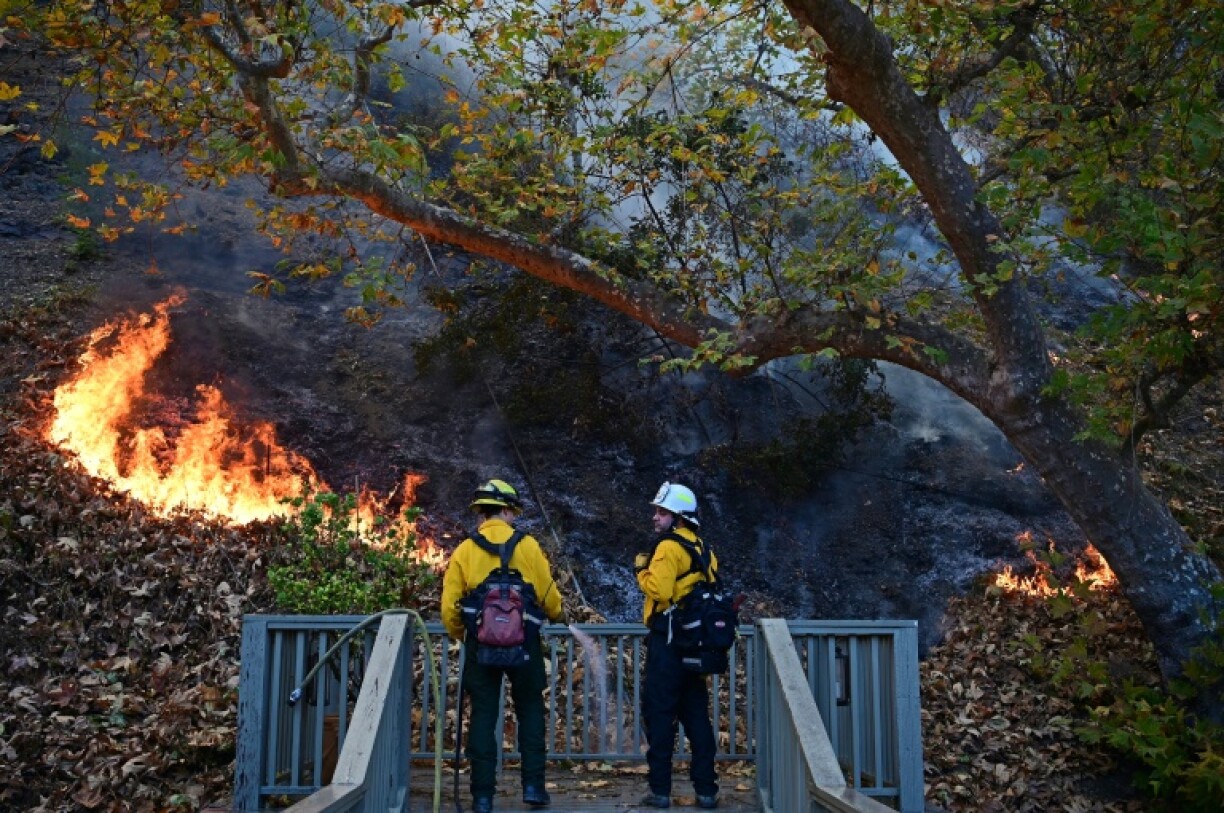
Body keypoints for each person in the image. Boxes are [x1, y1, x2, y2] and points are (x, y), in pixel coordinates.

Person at [441, 478, 564, 813]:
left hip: (481, 647)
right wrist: (557, 615)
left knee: (483, 715)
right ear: (508, 510)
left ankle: (482, 796)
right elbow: (549, 597)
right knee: (530, 712)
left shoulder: (465, 549)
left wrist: (460, 634)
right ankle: (534, 788)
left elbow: (450, 605)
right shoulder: (528, 546)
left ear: (482, 512)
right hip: (525, 644)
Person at [634, 481, 719, 810]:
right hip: (694, 644)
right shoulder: (705, 549)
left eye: (661, 512)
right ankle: (707, 791)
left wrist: (641, 569)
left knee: (660, 715)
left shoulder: (668, 548)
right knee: (697, 716)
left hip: (667, 643)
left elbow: (660, 591)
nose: (655, 517)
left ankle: (660, 791)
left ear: (678, 517)